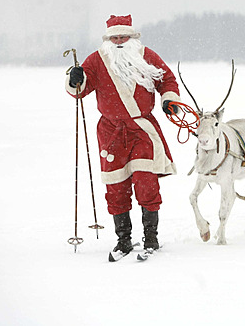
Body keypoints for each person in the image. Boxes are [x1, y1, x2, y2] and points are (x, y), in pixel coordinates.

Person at [65, 14, 181, 260]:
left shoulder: (147, 56)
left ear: (132, 37)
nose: (118, 41)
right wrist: (75, 79)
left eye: (123, 37)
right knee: (116, 188)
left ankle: (151, 238)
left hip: (142, 130)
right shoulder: (97, 60)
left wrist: (169, 99)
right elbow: (80, 90)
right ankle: (123, 240)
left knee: (146, 182)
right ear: (108, 39)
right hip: (111, 133)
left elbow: (166, 79)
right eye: (114, 37)